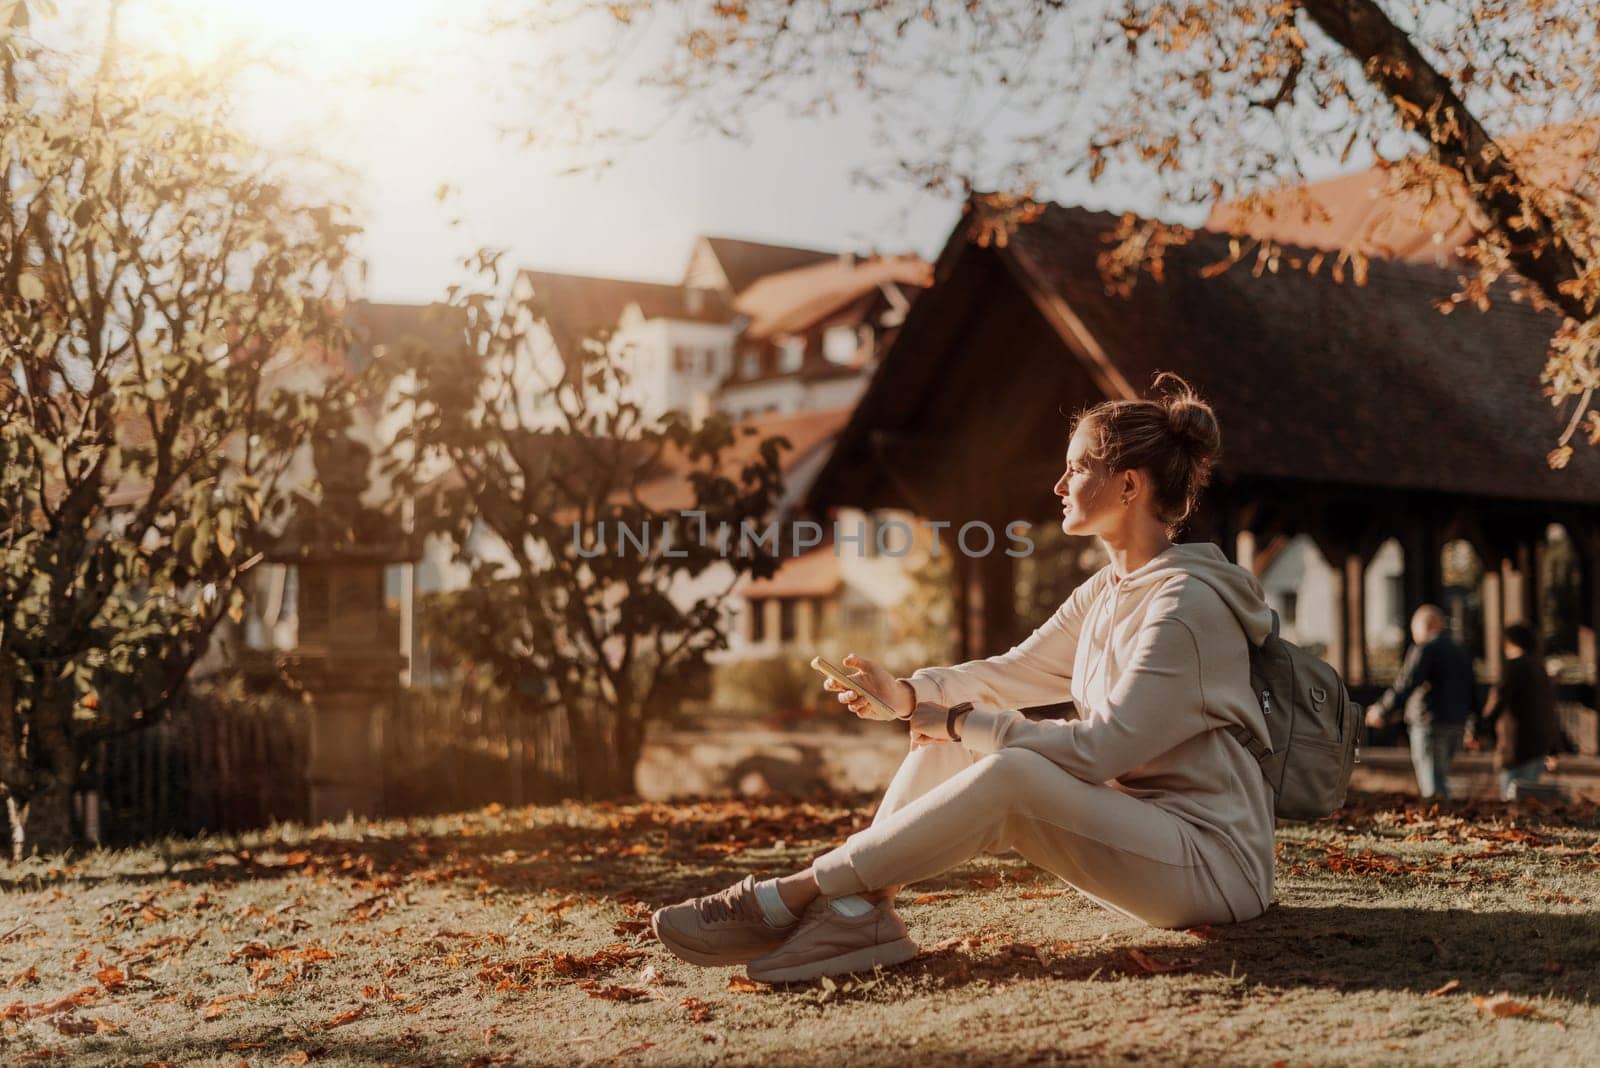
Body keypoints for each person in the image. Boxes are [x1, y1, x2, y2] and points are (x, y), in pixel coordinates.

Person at [651, 373, 1278, 983]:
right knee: (965, 741)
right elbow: (1013, 673)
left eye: (1079, 467)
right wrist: (910, 697)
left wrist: (961, 721)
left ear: (1128, 486)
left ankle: (793, 894)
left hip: (1211, 865)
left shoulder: (1185, 606)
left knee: (1007, 765)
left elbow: (1100, 749)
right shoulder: (1109, 592)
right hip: (1141, 837)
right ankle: (857, 911)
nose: (1059, 484)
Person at [1364, 605, 1475, 799]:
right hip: (1455, 724)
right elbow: (1473, 690)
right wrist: (1473, 725)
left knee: (1433, 785)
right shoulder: (1461, 650)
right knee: (1440, 777)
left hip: (1429, 722)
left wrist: (1382, 709)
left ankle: (1442, 822)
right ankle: (1445, 818)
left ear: (1428, 625)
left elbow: (1406, 682)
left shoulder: (1426, 648)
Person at [1468, 623, 1561, 800]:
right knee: (1529, 795)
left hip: (1516, 746)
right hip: (1539, 745)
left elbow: (1498, 702)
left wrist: (1479, 730)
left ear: (1508, 643)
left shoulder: (1514, 668)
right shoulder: (1540, 670)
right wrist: (1554, 747)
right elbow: (1550, 710)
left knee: (1513, 796)